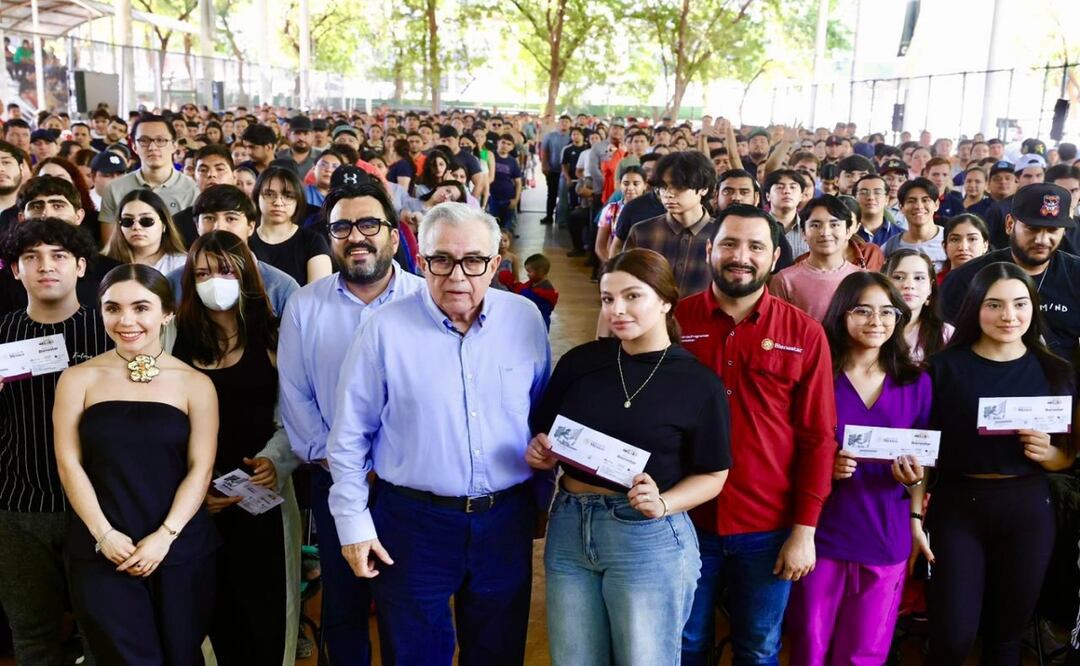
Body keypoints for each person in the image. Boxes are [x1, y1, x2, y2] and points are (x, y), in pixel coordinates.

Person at [327, 202, 551, 665]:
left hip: (504, 522)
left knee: (497, 653)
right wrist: (353, 525)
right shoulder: (383, 329)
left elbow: (540, 416)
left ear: (496, 262)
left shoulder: (525, 319)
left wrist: (543, 497)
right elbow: (349, 437)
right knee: (415, 655)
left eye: (474, 261)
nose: (457, 277)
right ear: (421, 260)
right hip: (412, 525)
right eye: (441, 260)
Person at [526, 248, 731, 665]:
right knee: (573, 658)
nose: (617, 309)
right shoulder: (581, 363)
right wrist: (542, 453)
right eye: (608, 298)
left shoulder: (697, 383)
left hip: (645, 534)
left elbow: (714, 474)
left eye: (632, 296)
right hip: (570, 525)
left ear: (665, 301)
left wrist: (663, 502)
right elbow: (546, 436)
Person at [676, 204, 836, 665]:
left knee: (759, 647)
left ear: (775, 257)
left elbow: (818, 438)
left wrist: (804, 530)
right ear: (710, 249)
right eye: (729, 243)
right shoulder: (675, 322)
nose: (740, 256)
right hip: (684, 520)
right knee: (685, 643)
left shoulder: (804, 333)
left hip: (768, 526)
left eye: (755, 247)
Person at [279, 181, 426, 666]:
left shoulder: (425, 299)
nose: (356, 236)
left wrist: (392, 467)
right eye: (341, 227)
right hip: (335, 480)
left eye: (368, 224)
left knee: (409, 606)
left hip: (410, 487)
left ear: (394, 235)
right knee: (343, 605)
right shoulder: (306, 305)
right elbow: (297, 397)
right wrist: (344, 467)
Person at [53, 264, 218, 664]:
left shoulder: (196, 384)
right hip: (101, 549)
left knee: (181, 656)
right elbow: (69, 463)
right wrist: (104, 535)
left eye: (141, 307)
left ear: (167, 314)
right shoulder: (77, 379)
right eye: (113, 308)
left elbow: (200, 469)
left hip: (179, 548)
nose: (126, 321)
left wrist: (165, 535)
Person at [925, 262, 1077, 663]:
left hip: (1028, 508)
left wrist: (1051, 455)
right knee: (952, 636)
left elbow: (1068, 454)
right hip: (957, 507)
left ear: (1033, 308)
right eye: (994, 305)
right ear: (975, 307)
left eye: (1020, 304)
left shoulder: (1056, 371)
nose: (1009, 316)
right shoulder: (942, 368)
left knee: (1006, 638)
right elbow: (922, 447)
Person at [786, 271, 932, 666]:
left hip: (885, 530)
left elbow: (923, 461)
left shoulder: (916, 382)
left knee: (865, 649)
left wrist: (915, 491)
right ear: (842, 314)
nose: (876, 321)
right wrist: (824, 467)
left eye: (887, 312)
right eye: (863, 311)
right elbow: (790, 448)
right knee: (809, 644)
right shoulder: (817, 375)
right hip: (822, 530)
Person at [173, 230, 302, 665]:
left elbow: (295, 417)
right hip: (196, 498)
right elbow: (161, 424)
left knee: (266, 611)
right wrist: (192, 486)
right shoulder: (174, 339)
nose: (214, 281)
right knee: (210, 611)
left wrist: (274, 460)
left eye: (225, 271)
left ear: (246, 273)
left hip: (262, 493)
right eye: (202, 273)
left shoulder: (274, 336)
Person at [0, 219, 112, 665]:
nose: (46, 266)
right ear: (16, 270)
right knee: (31, 633)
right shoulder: (2, 333)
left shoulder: (109, 333)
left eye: (59, 256)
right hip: (18, 503)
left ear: (81, 266)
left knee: (101, 631)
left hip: (98, 507)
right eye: (32, 257)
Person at [941, 183, 1080, 362]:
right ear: (1009, 224)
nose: (1042, 239)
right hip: (985, 375)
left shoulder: (1075, 275)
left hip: (1061, 376)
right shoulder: (966, 278)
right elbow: (946, 346)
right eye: (1032, 228)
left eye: (1053, 230)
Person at [167, 184, 299, 316]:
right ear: (197, 226)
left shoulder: (280, 286)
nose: (219, 227)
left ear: (251, 226)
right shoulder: (174, 283)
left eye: (231, 219)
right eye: (209, 218)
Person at [624, 151, 717, 297]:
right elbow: (626, 283)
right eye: (662, 187)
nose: (668, 194)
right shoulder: (642, 232)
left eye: (678, 186)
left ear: (703, 188)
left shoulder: (720, 234)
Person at [98, 115, 197, 244]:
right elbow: (110, 246)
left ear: (174, 145)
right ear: (134, 146)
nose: (152, 147)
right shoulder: (115, 189)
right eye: (144, 141)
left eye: (160, 140)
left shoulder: (192, 189)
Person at [770, 195, 863, 321]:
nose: (825, 233)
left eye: (834, 225)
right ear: (803, 233)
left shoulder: (862, 278)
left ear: (847, 231)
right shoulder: (784, 280)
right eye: (815, 225)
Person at [248, 166, 331, 286]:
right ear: (257, 197)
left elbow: (318, 294)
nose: (278, 202)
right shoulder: (244, 240)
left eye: (288, 196)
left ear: (298, 200)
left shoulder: (313, 242)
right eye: (269, 194)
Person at [884, 249, 954, 363]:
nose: (909, 285)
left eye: (919, 278)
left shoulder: (946, 334)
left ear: (930, 287)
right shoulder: (872, 328)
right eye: (898, 277)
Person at [104, 189, 188, 274]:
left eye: (147, 220)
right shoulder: (103, 263)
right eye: (127, 221)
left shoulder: (182, 264)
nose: (136, 227)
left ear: (164, 223)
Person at [883, 178, 947, 271]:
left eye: (925, 200)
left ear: (936, 204)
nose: (918, 206)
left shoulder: (950, 239)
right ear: (901, 207)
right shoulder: (890, 246)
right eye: (911, 201)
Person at [596, 165, 646, 263]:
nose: (630, 188)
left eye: (636, 184)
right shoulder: (611, 209)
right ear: (620, 185)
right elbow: (600, 247)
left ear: (645, 185)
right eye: (626, 183)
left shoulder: (651, 210)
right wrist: (612, 266)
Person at [497, 253, 559, 329]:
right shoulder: (532, 283)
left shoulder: (545, 292)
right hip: (531, 321)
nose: (527, 274)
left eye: (530, 272)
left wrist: (510, 282)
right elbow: (522, 290)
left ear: (541, 272)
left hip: (539, 324)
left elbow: (524, 294)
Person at [939, 213, 990, 284]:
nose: (963, 247)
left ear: (985, 245)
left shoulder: (997, 283)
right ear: (944, 246)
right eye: (955, 239)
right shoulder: (934, 284)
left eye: (972, 239)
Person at [487, 133, 523, 235]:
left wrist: (516, 199)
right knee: (492, 227)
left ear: (512, 147)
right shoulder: (488, 155)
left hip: (508, 198)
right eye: (503, 142)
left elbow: (518, 182)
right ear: (497, 143)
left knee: (507, 228)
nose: (505, 145)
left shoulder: (513, 161)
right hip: (492, 197)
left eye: (508, 144)